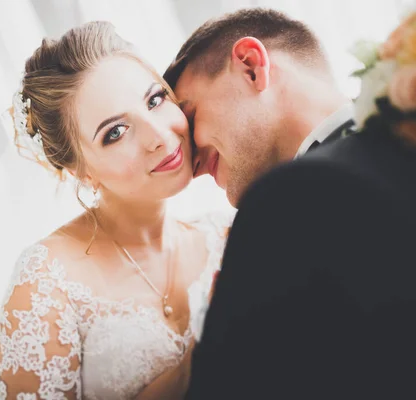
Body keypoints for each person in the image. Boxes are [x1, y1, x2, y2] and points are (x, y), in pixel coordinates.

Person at [164, 8, 416, 399]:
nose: (192, 163)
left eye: (189, 114)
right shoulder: (396, 147)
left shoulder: (287, 201)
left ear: (250, 66)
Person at [0, 21, 229, 400]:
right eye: (116, 133)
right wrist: (197, 360)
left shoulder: (226, 237)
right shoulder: (47, 283)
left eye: (155, 100)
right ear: (81, 172)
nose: (159, 136)